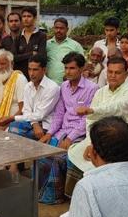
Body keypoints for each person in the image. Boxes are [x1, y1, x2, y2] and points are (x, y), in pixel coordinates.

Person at [38, 52, 97, 204]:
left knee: (58, 157)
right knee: (41, 152)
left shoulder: (92, 88)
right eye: (66, 68)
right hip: (61, 131)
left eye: (72, 68)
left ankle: (54, 197)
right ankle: (39, 192)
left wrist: (71, 138)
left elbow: (87, 119)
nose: (68, 72)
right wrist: (49, 134)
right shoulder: (63, 87)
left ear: (82, 69)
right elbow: (59, 114)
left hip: (80, 135)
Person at [68, 56, 128, 178]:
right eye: (110, 72)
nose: (113, 75)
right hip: (97, 140)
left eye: (117, 73)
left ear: (126, 74)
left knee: (94, 170)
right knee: (72, 156)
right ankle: (74, 195)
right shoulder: (100, 92)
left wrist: (92, 110)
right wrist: (92, 143)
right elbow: (90, 120)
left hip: (120, 142)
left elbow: (117, 107)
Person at [6, 54, 59, 140]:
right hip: (31, 123)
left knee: (15, 130)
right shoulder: (28, 86)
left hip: (45, 126)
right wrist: (34, 123)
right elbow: (26, 110)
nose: (31, 73)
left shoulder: (52, 88)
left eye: (35, 70)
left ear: (44, 70)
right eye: (29, 69)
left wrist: (13, 117)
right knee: (13, 127)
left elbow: (40, 115)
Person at [5, 7, 46, 80]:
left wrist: (20, 57)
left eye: (29, 16)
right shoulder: (18, 37)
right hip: (20, 76)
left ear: (35, 18)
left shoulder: (41, 36)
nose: (26, 19)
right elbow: (13, 57)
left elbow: (41, 57)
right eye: (24, 16)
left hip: (35, 77)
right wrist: (31, 54)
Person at [46, 18, 84, 84]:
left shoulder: (75, 45)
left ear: (67, 29)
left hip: (69, 84)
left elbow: (83, 64)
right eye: (56, 28)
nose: (58, 30)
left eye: (61, 28)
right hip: (49, 85)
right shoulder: (47, 44)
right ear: (53, 28)